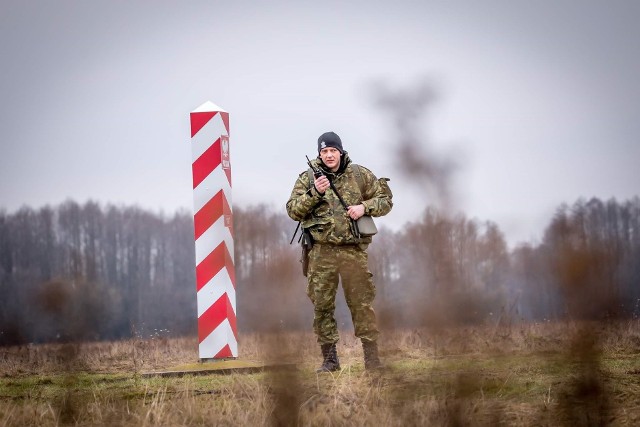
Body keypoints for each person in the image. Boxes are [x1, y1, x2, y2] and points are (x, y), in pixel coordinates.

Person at [286, 131, 393, 372]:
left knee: (361, 304)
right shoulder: (308, 178)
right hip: (321, 253)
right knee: (322, 306)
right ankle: (330, 361)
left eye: (333, 150)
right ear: (319, 154)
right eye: (324, 151)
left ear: (341, 151)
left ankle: (372, 360)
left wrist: (364, 207)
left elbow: (385, 199)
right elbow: (292, 210)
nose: (329, 155)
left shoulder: (359, 175)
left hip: (353, 251)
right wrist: (315, 193)